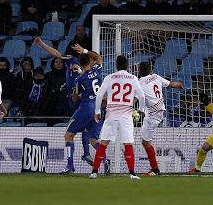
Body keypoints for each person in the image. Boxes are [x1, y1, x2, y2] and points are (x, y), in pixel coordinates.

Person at [34, 37, 98, 167]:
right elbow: (56, 54)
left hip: (82, 101)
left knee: (70, 134)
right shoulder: (73, 60)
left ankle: (73, 164)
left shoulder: (89, 67)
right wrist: (42, 44)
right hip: (80, 101)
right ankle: (90, 155)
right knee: (87, 132)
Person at [89, 55, 145, 180]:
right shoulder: (133, 78)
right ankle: (132, 173)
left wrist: (97, 111)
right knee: (128, 143)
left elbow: (99, 96)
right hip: (126, 116)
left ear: (116, 65)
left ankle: (94, 172)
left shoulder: (109, 78)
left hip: (111, 115)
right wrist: (141, 110)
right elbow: (141, 96)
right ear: (127, 65)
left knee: (103, 143)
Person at [61, 44, 108, 174]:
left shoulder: (80, 78)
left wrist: (75, 95)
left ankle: (70, 166)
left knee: (69, 135)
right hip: (98, 109)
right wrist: (85, 50)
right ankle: (105, 161)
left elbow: (75, 98)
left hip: (87, 107)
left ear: (81, 64)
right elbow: (99, 58)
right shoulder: (98, 70)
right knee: (93, 140)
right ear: (90, 61)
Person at [138, 62, 183, 176]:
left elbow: (138, 98)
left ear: (139, 71)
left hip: (153, 114)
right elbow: (171, 84)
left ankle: (155, 169)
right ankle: (155, 169)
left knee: (145, 142)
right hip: (159, 112)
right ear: (150, 70)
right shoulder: (156, 77)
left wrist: (138, 110)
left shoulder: (140, 83)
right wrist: (179, 84)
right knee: (146, 141)